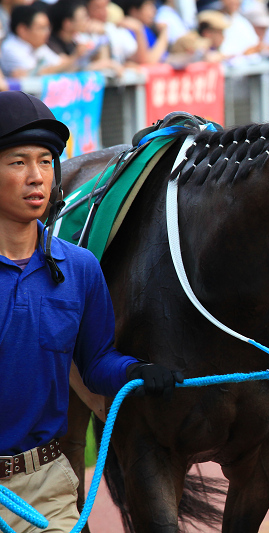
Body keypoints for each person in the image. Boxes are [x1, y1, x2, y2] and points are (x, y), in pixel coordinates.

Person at [0, 91, 182, 533]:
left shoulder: (80, 269)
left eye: (45, 162)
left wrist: (136, 372)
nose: (36, 177)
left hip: (43, 486)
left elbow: (96, 363)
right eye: (18, 162)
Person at [0, 3, 85, 78]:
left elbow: (59, 64)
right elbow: (35, 74)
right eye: (41, 28)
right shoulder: (11, 48)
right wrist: (75, 56)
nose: (47, 33)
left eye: (48, 28)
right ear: (22, 30)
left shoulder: (39, 46)